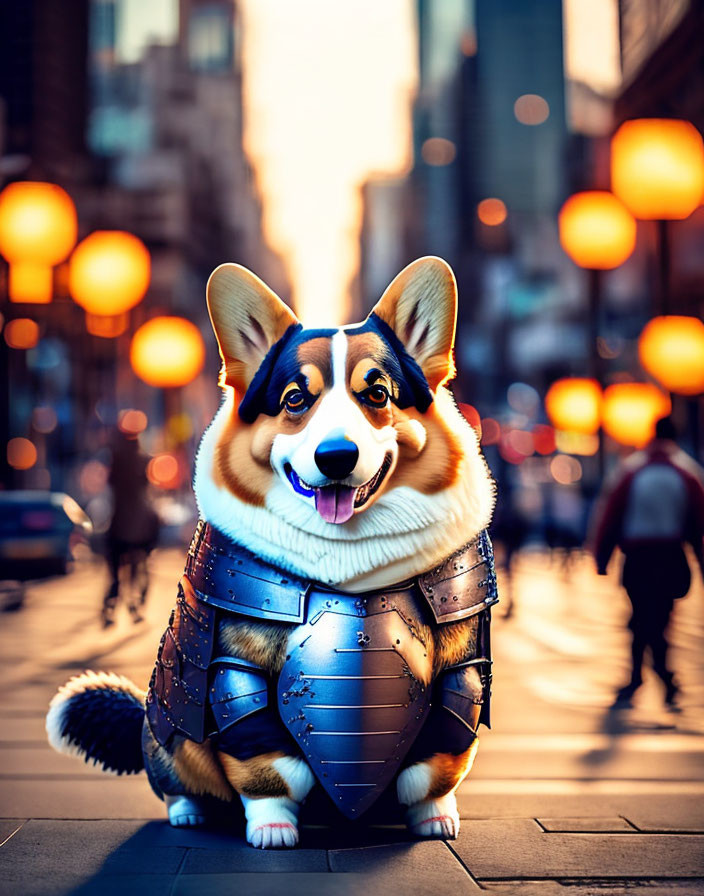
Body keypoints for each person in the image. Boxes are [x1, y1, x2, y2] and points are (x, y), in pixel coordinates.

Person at [592, 416, 704, 710]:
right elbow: (698, 523)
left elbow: (611, 516)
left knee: (641, 617)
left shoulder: (631, 471)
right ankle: (661, 678)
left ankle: (642, 678)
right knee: (661, 619)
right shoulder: (688, 473)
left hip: (638, 558)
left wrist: (602, 556)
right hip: (671, 556)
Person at [102, 429, 160, 627]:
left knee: (117, 572)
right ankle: (134, 604)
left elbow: (110, 484)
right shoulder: (142, 461)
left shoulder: (118, 462)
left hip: (119, 527)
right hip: (138, 528)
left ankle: (112, 606)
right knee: (140, 568)